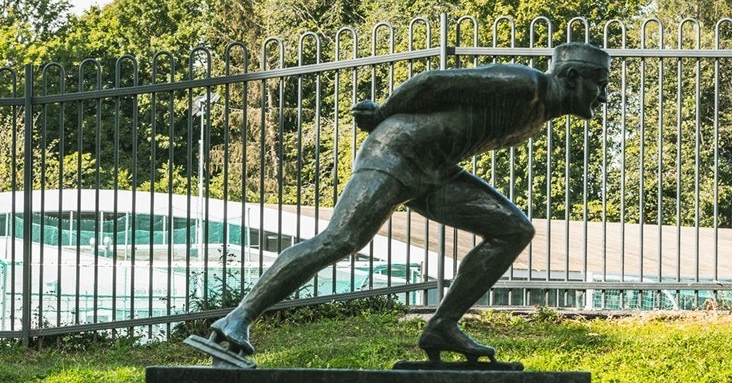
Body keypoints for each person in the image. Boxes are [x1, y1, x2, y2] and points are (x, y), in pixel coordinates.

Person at [200, 42, 612, 364]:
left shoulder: (540, 112)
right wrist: (383, 113)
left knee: (513, 229)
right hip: (396, 151)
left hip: (435, 169)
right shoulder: (525, 85)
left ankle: (442, 327)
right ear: (573, 76)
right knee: (341, 239)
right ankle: (236, 319)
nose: (604, 96)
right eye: (601, 84)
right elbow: (432, 83)